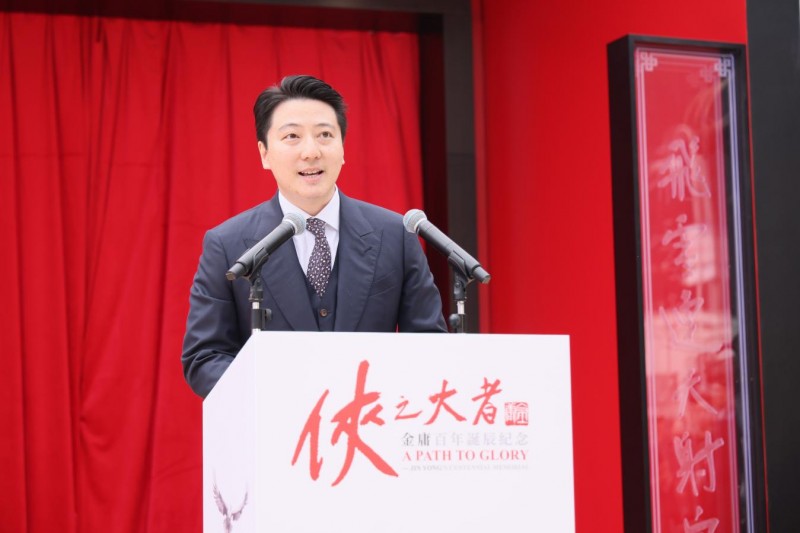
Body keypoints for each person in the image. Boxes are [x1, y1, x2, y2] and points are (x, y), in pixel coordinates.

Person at [182, 75, 447, 398]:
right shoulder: (227, 244)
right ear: (264, 154)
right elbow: (205, 357)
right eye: (292, 136)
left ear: (342, 148)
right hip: (276, 422)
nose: (311, 152)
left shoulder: (395, 235)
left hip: (371, 417)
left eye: (325, 135)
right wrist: (276, 396)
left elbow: (428, 343)